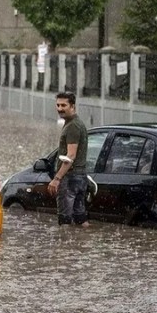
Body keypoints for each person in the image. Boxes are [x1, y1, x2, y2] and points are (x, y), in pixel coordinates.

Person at [47, 91, 89, 227]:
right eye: (58, 105)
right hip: (80, 176)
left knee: (64, 220)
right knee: (80, 218)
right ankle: (81, 245)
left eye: (63, 105)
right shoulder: (75, 124)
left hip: (70, 177)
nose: (60, 109)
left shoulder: (73, 126)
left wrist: (57, 179)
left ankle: (64, 246)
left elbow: (71, 156)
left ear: (72, 106)